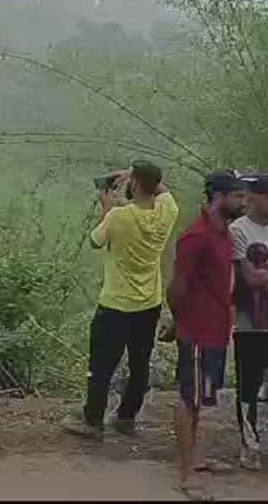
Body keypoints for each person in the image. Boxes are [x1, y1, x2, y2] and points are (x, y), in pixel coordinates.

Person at [64, 161, 179, 439]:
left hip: (116, 304)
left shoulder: (118, 217)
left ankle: (93, 420)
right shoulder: (167, 211)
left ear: (135, 184)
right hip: (148, 303)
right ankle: (126, 416)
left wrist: (106, 206)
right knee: (140, 363)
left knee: (102, 364)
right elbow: (162, 190)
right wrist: (136, 175)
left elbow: (95, 241)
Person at [166, 172, 247, 500]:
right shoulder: (196, 237)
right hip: (198, 331)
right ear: (218, 196)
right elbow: (177, 287)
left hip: (215, 329)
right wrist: (178, 322)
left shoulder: (223, 233)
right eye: (238, 196)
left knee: (200, 397)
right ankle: (186, 475)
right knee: (189, 398)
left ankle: (194, 458)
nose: (243, 202)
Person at [228, 174, 268, 471]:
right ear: (254, 198)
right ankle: (249, 444)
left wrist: (267, 267)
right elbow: (249, 279)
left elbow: (258, 271)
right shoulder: (238, 231)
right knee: (248, 389)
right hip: (250, 324)